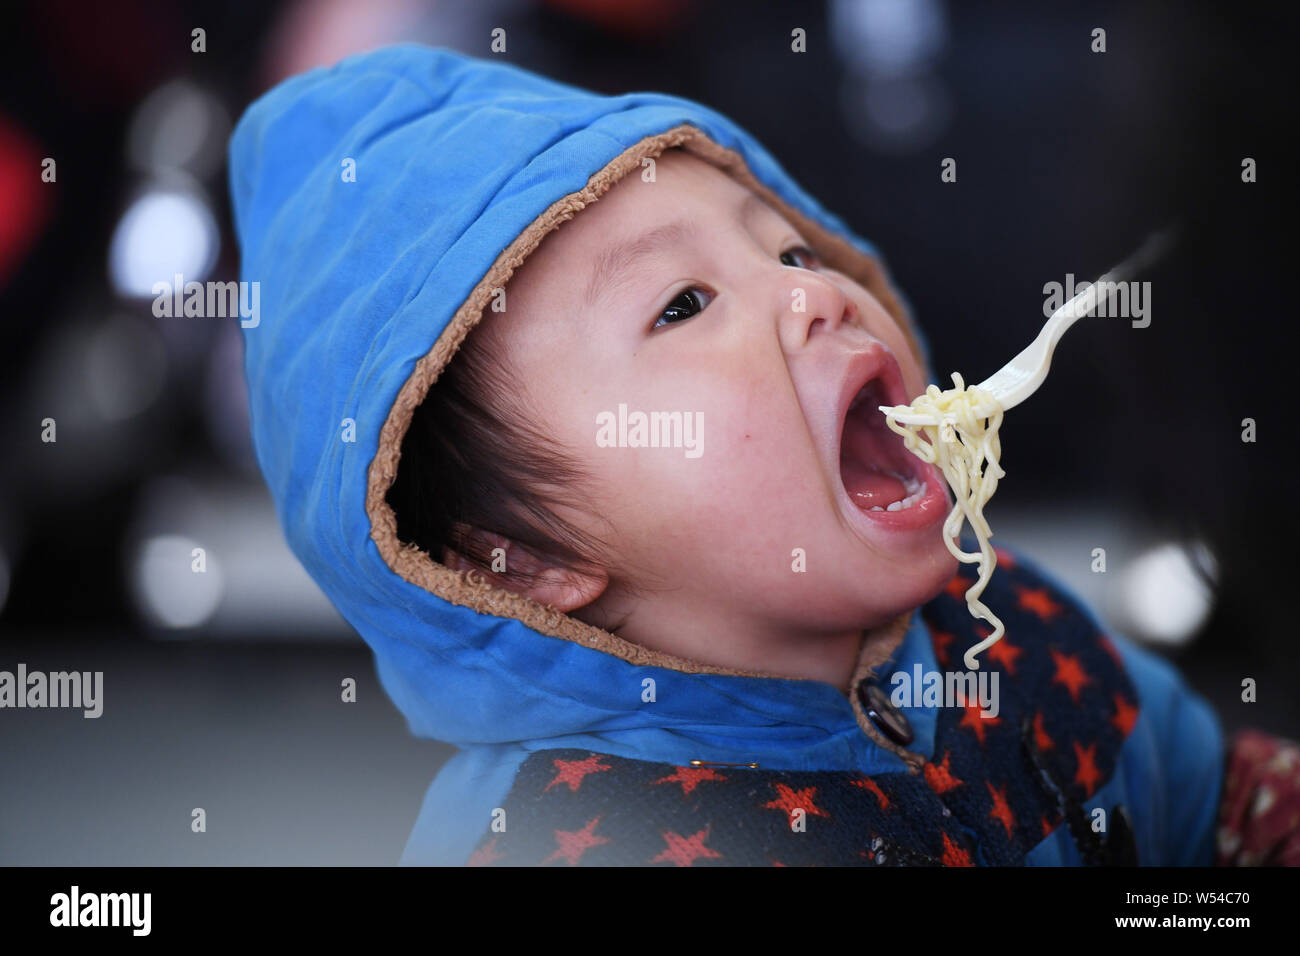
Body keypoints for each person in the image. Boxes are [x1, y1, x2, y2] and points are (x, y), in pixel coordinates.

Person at [228, 43, 1294, 866]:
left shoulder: (1007, 631)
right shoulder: (568, 838)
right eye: (683, 305)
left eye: (787, 246)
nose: (813, 291)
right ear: (516, 559)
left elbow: (1207, 819)